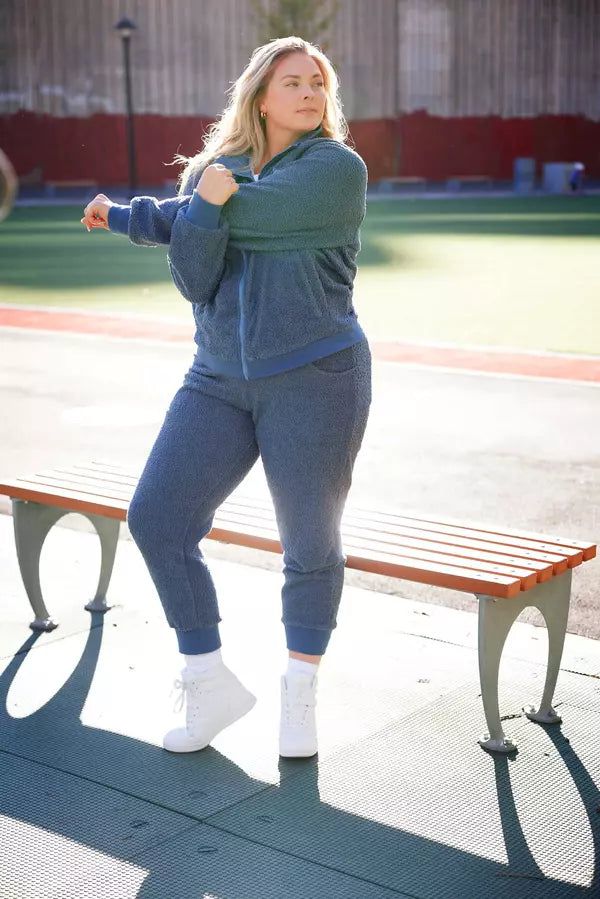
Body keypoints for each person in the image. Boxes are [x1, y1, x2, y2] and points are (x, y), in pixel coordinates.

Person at [81, 35, 371, 759]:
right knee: (157, 518)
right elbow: (195, 276)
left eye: (318, 83)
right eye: (293, 82)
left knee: (309, 543)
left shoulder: (337, 170)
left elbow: (246, 218)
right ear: (260, 97)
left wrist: (154, 214)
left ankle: (300, 693)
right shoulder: (215, 173)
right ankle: (207, 679)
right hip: (216, 377)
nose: (310, 93)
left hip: (316, 376)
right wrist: (183, 210)